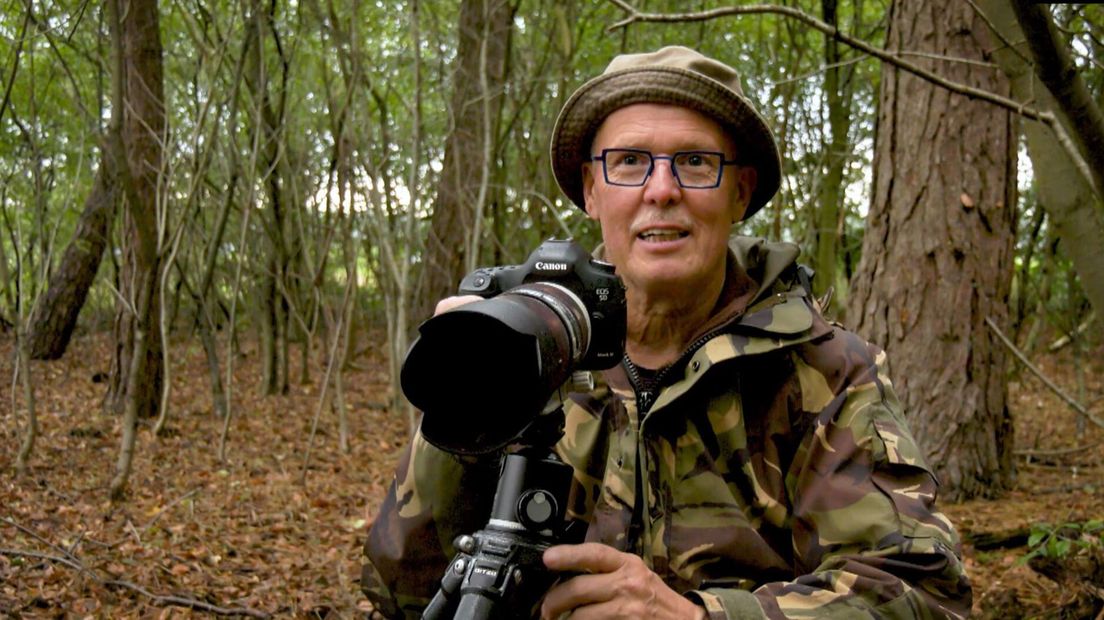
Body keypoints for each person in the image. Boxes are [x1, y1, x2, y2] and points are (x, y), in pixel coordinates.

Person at [362, 46, 971, 619]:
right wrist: (460, 410)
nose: (661, 191)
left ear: (741, 192)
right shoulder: (527, 347)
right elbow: (402, 591)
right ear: (592, 191)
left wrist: (697, 616)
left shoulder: (823, 369)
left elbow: (921, 589)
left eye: (695, 162)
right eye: (628, 162)